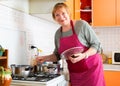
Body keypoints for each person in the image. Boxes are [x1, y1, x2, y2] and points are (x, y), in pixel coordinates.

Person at [36, 3, 105, 86]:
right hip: (75, 72)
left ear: (68, 13)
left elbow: (97, 45)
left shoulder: (81, 25)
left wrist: (83, 55)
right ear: (54, 18)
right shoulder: (58, 34)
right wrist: (45, 58)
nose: (61, 17)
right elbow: (57, 55)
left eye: (63, 13)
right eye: (57, 15)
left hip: (92, 70)